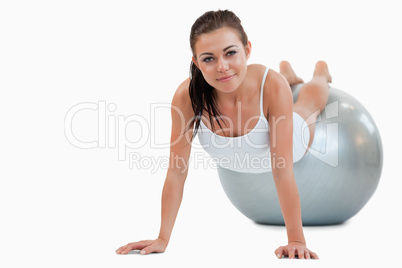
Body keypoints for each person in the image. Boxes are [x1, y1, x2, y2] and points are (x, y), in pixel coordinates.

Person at [116, 10, 331, 259]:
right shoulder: (187, 96)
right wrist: (162, 238)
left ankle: (320, 74)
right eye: (209, 59)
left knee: (307, 106)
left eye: (230, 53)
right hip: (244, 157)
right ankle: (289, 75)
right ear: (196, 62)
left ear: (247, 49)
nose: (222, 67)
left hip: (291, 146)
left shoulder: (270, 85)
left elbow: (281, 169)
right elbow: (177, 170)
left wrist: (296, 239)